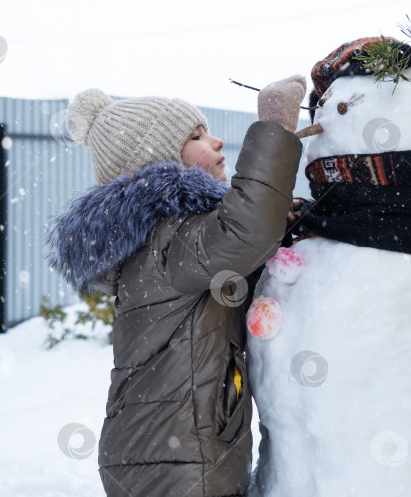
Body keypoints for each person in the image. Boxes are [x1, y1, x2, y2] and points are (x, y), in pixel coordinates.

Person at [45, 75, 306, 496]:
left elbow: (235, 268)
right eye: (196, 136)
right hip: (175, 464)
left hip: (163, 454)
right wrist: (275, 126)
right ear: (160, 161)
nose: (217, 141)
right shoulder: (170, 238)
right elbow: (246, 233)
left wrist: (281, 223)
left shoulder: (169, 241)